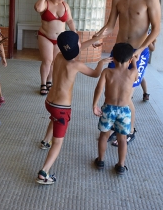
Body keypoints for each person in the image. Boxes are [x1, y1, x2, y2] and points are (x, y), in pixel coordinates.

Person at [92, 0, 161, 146]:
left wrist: (141, 49)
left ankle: (130, 130)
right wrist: (98, 38)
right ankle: (118, 126)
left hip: (138, 53)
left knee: (127, 93)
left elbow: (156, 28)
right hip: (119, 52)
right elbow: (110, 24)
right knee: (115, 89)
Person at [36, 31, 111, 184]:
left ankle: (45, 141)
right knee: (58, 143)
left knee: (53, 119)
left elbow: (74, 49)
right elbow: (96, 74)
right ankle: (44, 172)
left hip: (49, 103)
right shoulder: (76, 65)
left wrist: (94, 40)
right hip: (61, 108)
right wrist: (101, 63)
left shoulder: (58, 56)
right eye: (78, 42)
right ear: (74, 48)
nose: (80, 44)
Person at [93, 43, 138, 175]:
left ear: (113, 58)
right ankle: (121, 165)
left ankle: (100, 161)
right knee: (122, 139)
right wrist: (134, 59)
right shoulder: (132, 73)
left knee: (103, 135)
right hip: (124, 110)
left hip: (108, 109)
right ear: (129, 59)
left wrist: (94, 105)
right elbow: (135, 68)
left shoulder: (107, 72)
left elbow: (99, 88)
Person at [34, 0, 76, 95]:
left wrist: (75, 34)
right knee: (47, 61)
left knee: (55, 62)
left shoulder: (65, 5)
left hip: (60, 38)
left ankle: (49, 81)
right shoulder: (45, 4)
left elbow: (70, 21)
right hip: (45, 36)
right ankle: (43, 83)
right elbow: (37, 8)